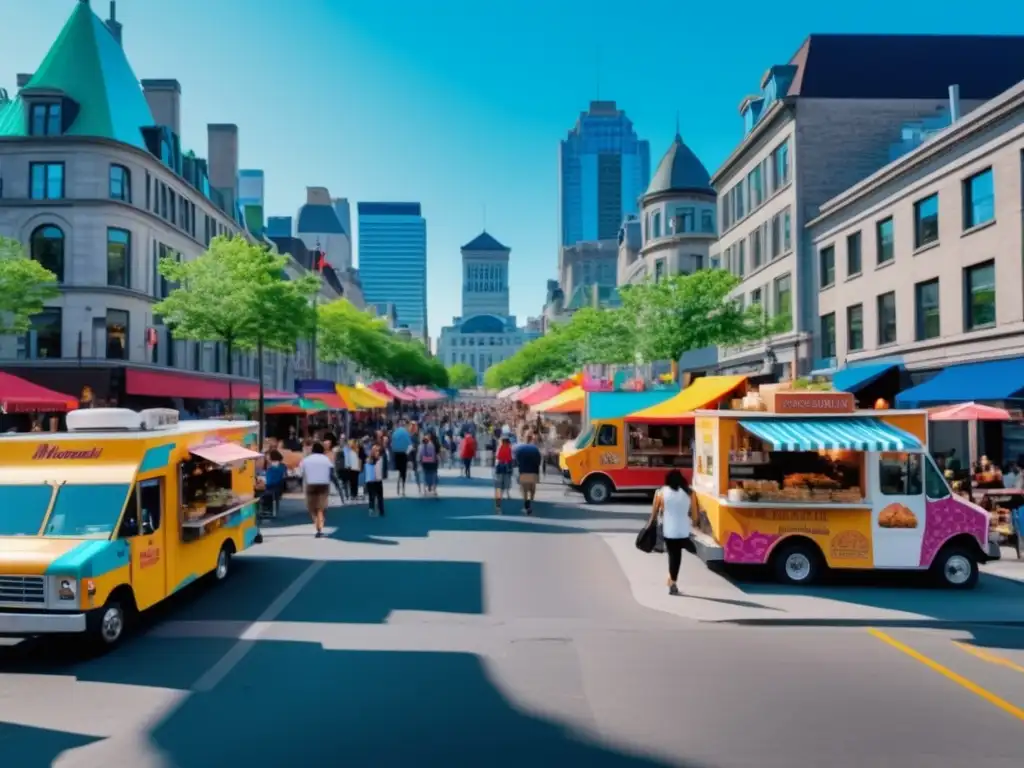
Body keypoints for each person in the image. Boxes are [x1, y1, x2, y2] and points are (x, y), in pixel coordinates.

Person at [647, 469, 697, 595]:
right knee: (677, 556)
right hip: (683, 530)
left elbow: (654, 513)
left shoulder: (661, 492)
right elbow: (695, 517)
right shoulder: (690, 493)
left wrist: (649, 524)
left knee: (673, 555)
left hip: (669, 530)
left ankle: (672, 581)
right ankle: (671, 580)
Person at [299, 441, 335, 538]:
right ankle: (321, 523)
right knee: (321, 507)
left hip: (310, 484)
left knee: (312, 507)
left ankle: (317, 525)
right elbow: (331, 471)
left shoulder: (306, 460)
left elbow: (300, 473)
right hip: (324, 484)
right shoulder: (326, 459)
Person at [514, 432, 542, 515]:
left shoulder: (519, 449)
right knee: (532, 488)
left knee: (524, 490)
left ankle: (527, 505)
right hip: (533, 471)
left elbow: (516, 461)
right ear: (531, 439)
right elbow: (539, 461)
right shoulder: (535, 449)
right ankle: (531, 501)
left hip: (524, 471)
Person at [493, 433, 514, 514]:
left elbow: (497, 458)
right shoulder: (508, 448)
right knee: (504, 486)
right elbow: (510, 459)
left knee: (499, 487)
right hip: (506, 469)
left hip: (499, 469)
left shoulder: (500, 447)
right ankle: (499, 503)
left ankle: (498, 506)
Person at [364, 443, 386, 517]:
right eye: (375, 450)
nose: (377, 452)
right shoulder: (369, 460)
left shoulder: (381, 458)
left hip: (378, 480)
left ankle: (381, 510)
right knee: (372, 496)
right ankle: (371, 510)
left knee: (380, 496)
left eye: (377, 450)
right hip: (371, 481)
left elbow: (381, 469)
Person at [391, 420, 412, 495]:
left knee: (398, 470)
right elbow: (410, 445)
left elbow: (392, 445)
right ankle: (403, 487)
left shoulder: (395, 433)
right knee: (404, 471)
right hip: (403, 454)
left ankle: (398, 482)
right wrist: (407, 453)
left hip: (396, 454)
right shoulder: (406, 433)